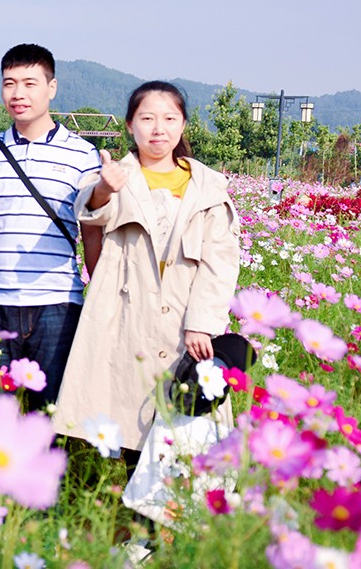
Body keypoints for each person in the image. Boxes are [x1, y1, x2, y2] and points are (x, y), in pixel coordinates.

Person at [52, 81, 241, 464]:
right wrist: (105, 188)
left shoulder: (207, 187)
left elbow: (220, 262)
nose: (159, 129)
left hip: (185, 325)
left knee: (185, 428)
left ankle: (165, 501)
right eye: (147, 119)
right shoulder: (115, 177)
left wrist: (202, 324)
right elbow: (90, 209)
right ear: (129, 125)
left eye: (169, 119)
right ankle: (123, 497)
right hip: (126, 320)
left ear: (183, 125)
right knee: (128, 427)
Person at [0, 44, 101, 411]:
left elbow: (92, 227)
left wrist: (100, 294)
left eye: (30, 83)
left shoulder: (82, 154)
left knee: (51, 413)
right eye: (9, 83)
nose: (18, 94)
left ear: (51, 87)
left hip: (57, 304)